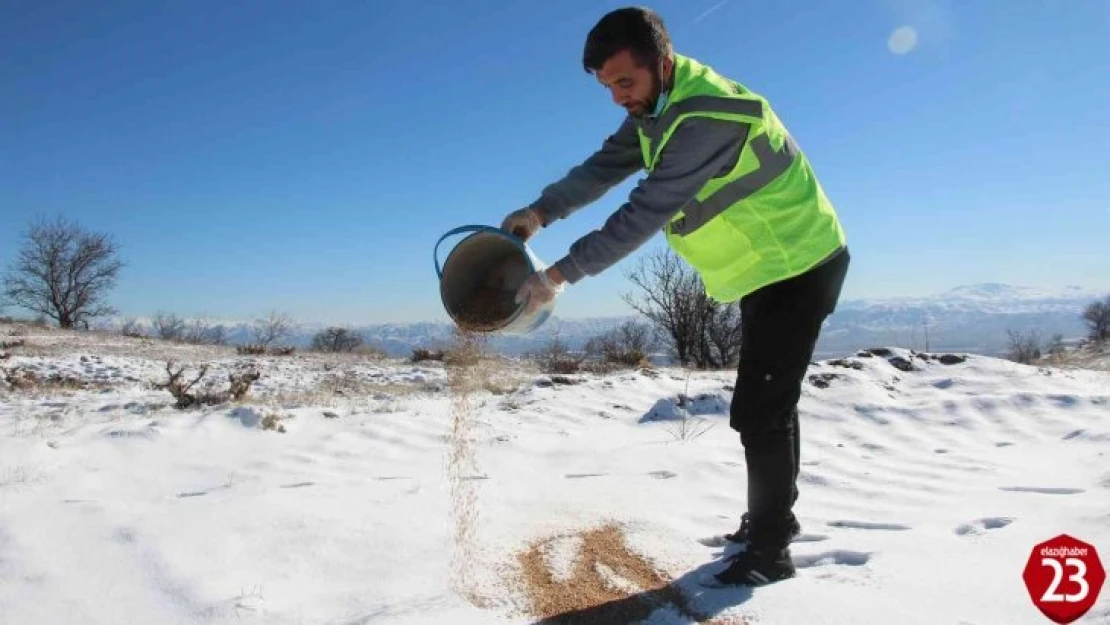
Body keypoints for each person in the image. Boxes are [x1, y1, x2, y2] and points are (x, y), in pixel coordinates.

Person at [501, 7, 850, 586]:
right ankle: (771, 523)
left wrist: (556, 276)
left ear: (661, 65)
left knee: (760, 411)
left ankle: (769, 554)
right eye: (608, 87)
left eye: (625, 83)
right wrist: (541, 211)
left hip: (799, 263)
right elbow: (604, 167)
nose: (617, 98)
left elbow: (642, 214)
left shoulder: (705, 117)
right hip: (768, 268)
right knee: (767, 406)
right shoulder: (656, 106)